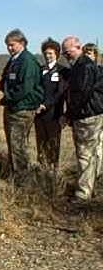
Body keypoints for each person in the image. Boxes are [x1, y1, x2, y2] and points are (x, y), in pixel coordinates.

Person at [0, 29, 44, 179]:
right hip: (13, 108)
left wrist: (2, 100)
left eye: (12, 45)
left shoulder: (27, 61)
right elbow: (10, 81)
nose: (9, 48)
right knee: (13, 145)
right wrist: (0, 84)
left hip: (22, 109)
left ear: (22, 43)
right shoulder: (14, 59)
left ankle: (22, 180)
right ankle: (15, 174)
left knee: (18, 146)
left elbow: (24, 89)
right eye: (7, 45)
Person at [61, 36, 103, 203]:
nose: (66, 55)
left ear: (78, 47)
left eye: (68, 52)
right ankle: (91, 183)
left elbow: (81, 94)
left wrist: (69, 115)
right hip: (92, 113)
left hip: (87, 116)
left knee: (85, 154)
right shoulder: (84, 65)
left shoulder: (83, 67)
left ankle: (83, 194)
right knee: (95, 152)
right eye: (64, 53)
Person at [34, 38, 68, 172]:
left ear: (57, 54)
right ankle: (43, 169)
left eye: (51, 53)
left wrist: (46, 105)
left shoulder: (63, 71)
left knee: (53, 143)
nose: (48, 56)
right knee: (41, 142)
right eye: (46, 53)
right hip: (39, 113)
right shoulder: (40, 70)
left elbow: (60, 92)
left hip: (54, 114)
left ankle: (53, 172)